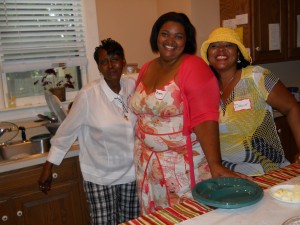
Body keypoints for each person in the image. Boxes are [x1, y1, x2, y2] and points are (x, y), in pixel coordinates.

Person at [129, 12, 244, 215]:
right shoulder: (147, 67)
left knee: (184, 217)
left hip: (180, 169)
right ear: (156, 36)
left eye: (179, 36)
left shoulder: (194, 68)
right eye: (165, 34)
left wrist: (215, 164)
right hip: (147, 164)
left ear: (187, 41)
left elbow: (205, 118)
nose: (170, 40)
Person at [38, 38, 140, 224]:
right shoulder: (87, 95)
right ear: (99, 68)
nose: (110, 66)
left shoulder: (132, 87)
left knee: (132, 222)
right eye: (103, 62)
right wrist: (48, 166)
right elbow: (66, 132)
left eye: (115, 59)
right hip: (100, 177)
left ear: (123, 62)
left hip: (131, 174)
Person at [200, 27, 300, 176]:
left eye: (228, 45)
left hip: (267, 172)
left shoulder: (257, 77)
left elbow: (292, 107)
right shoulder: (205, 89)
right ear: (208, 54)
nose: (221, 50)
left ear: (238, 53)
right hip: (229, 176)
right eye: (214, 46)